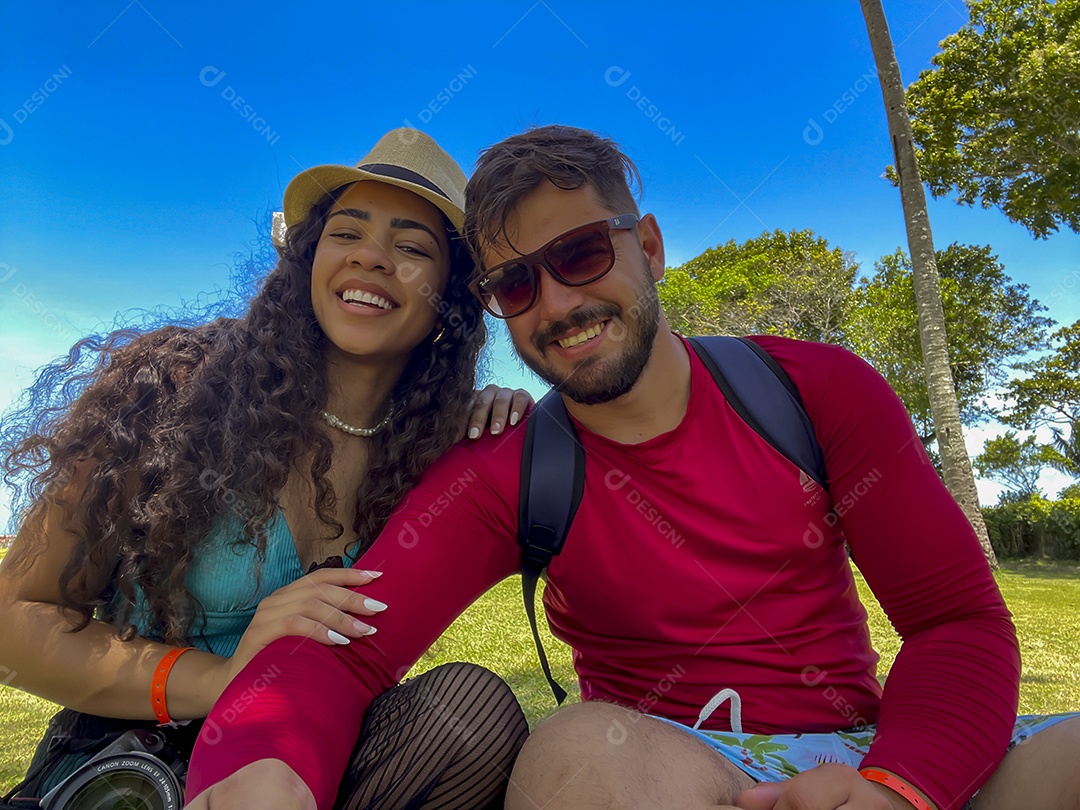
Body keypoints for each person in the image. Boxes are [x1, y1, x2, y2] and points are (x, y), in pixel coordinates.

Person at [184, 125, 1079, 810]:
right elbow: (344, 656)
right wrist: (266, 771)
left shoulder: (815, 391)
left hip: (871, 747)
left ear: (646, 248)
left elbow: (953, 623)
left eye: (579, 255)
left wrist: (896, 789)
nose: (560, 304)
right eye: (518, 286)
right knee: (577, 755)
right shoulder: (509, 469)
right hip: (667, 765)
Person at [0, 129, 532, 807]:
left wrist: (500, 419)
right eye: (347, 234)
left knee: (471, 711)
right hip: (134, 760)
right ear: (309, 259)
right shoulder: (175, 389)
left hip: (318, 751)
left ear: (450, 300)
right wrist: (220, 682)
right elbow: (15, 619)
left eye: (411, 247)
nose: (371, 257)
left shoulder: (437, 445)